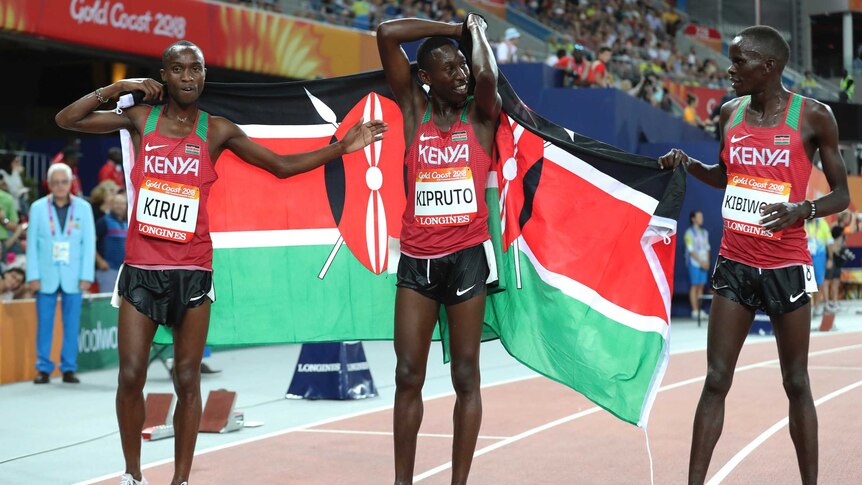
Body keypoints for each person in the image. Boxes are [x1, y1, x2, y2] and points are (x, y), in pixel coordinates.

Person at [54, 40, 386, 485]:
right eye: (178, 69)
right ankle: (133, 475)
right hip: (141, 272)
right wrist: (120, 86)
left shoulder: (217, 130)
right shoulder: (139, 119)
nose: (189, 77)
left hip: (193, 272)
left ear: (204, 76)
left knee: (188, 380)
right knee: (130, 376)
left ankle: (181, 479)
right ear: (164, 76)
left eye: (197, 69)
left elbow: (281, 167)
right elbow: (66, 120)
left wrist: (341, 149)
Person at [659, 26, 849, 484]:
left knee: (797, 382)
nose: (729, 70)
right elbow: (725, 176)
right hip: (734, 265)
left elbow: (842, 195)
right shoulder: (728, 114)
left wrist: (802, 210)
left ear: (768, 66)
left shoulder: (814, 117)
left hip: (786, 265)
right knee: (716, 379)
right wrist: (688, 164)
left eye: (739, 61)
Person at [377, 14, 500, 484]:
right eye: (449, 69)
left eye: (462, 67)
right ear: (424, 79)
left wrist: (477, 34)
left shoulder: (481, 115)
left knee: (466, 376)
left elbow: (487, 75)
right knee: (408, 374)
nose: (462, 74)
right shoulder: (413, 110)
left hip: (467, 256)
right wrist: (453, 29)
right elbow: (387, 35)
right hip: (417, 260)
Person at [26, 162, 96, 385]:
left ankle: (68, 368)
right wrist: (32, 276)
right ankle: (44, 368)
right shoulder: (37, 208)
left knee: (72, 323)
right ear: (49, 184)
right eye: (55, 182)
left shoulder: (84, 208)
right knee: (44, 323)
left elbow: (89, 244)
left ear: (70, 183)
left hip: (74, 275)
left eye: (64, 182)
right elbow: (31, 245)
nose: (59, 186)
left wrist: (87, 275)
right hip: (45, 275)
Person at [95, 192, 128, 294]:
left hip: (124, 271)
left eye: (122, 203)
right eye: (117, 203)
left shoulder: (127, 223)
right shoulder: (103, 222)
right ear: (111, 205)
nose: (120, 206)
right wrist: (100, 262)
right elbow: (91, 244)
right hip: (107, 271)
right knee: (106, 305)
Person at [804, 217, 832, 315]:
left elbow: (829, 241)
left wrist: (830, 259)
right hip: (805, 255)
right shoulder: (802, 222)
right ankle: (809, 307)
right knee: (807, 282)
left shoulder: (822, 223)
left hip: (819, 255)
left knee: (819, 282)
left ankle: (816, 305)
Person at [684, 210, 710, 319]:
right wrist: (700, 262)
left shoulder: (705, 233)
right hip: (694, 262)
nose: (701, 219)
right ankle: (694, 310)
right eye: (699, 217)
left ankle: (700, 310)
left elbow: (708, 249)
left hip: (704, 262)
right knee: (695, 286)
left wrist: (707, 262)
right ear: (693, 219)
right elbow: (691, 250)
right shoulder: (689, 233)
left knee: (701, 286)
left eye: (702, 216)